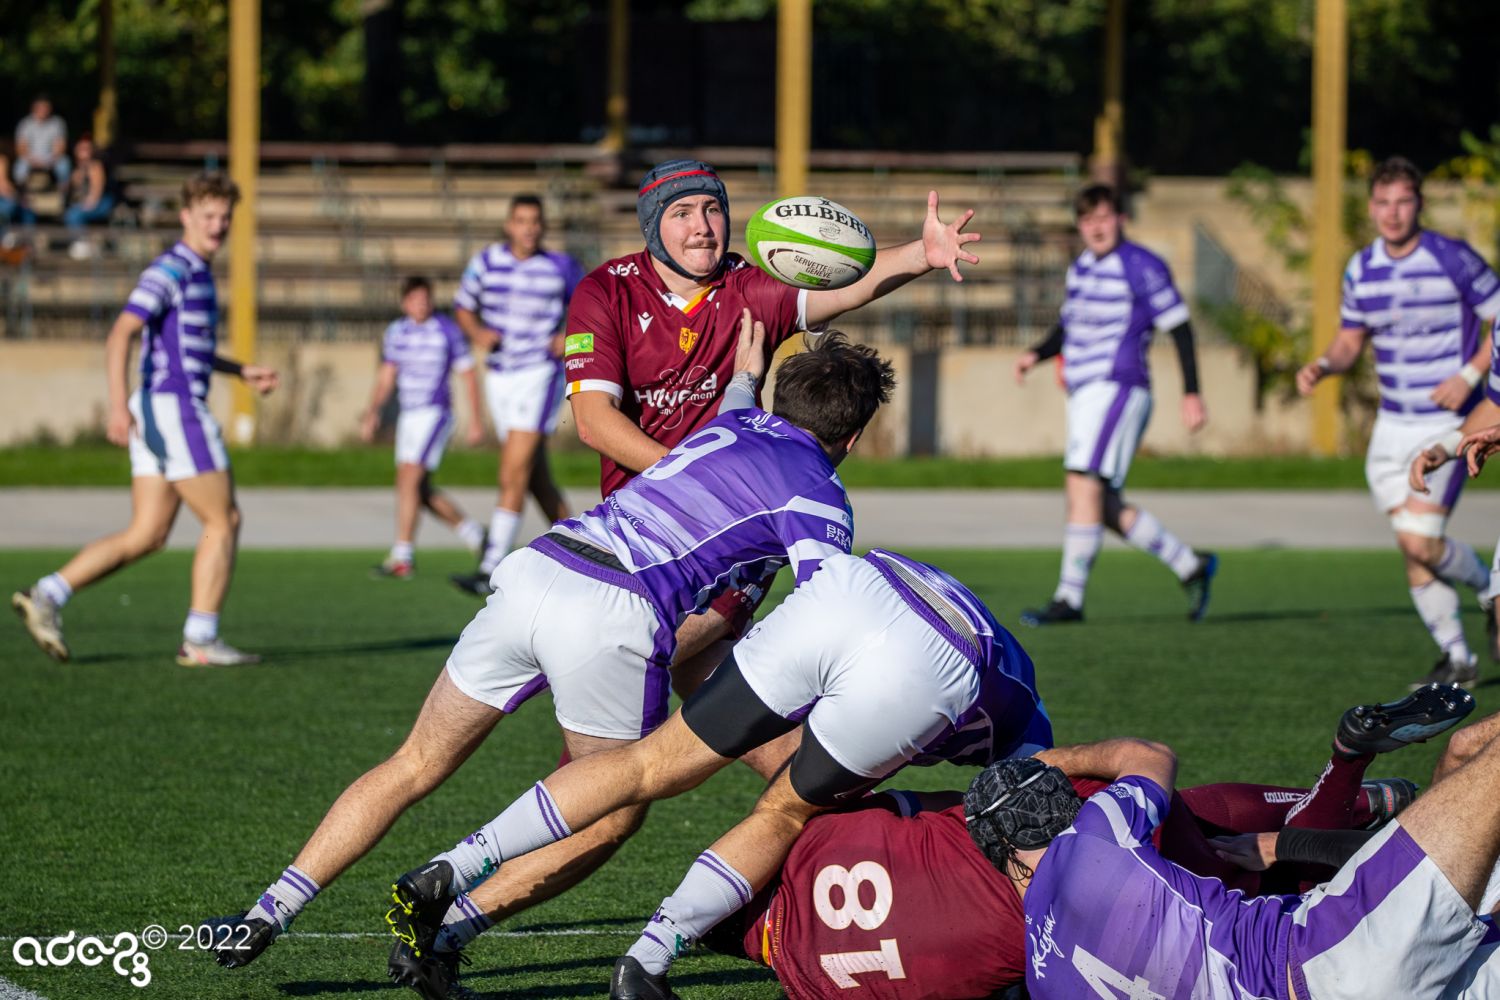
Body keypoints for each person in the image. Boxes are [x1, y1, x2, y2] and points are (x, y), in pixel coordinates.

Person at [203, 329, 891, 978]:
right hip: (614, 609)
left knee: (414, 762)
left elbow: (740, 394)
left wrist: (746, 371)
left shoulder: (731, 423)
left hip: (541, 565)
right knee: (614, 807)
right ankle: (448, 927)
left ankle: (265, 913)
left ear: (779, 398)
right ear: (853, 436)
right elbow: (822, 611)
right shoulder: (821, 494)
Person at [394, 684, 1467, 1000]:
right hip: (1054, 865)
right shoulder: (822, 848)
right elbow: (796, 776)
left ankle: (1359, 797)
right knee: (1222, 842)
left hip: (1043, 924)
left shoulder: (815, 977)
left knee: (1242, 865)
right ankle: (1350, 785)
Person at [382, 544, 1051, 1000]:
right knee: (783, 813)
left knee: (648, 763)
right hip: (936, 653)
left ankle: (456, 865)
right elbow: (1018, 832)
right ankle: (646, 962)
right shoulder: (1031, 740)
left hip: (860, 583)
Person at [963, 699, 1500, 999]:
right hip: (1328, 959)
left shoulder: (1042, 978)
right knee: (1480, 757)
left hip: (1357, 973)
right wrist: (1058, 760)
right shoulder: (1091, 835)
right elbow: (1148, 755)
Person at [10, 171, 277, 666]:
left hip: (160, 408)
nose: (218, 225)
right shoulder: (172, 269)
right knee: (224, 520)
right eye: (208, 216)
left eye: (224, 217)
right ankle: (200, 639)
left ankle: (46, 594)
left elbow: (190, 350)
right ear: (186, 216)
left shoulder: (197, 271)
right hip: (175, 408)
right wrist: (116, 405)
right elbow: (120, 333)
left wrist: (240, 371)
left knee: (148, 534)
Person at [1303, 157, 1500, 690]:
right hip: (1390, 428)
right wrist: (1323, 364)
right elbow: (1350, 340)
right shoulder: (1361, 269)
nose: (1392, 213)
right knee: (1412, 545)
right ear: (1371, 207)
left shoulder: (1452, 258)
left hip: (1448, 423)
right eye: (1383, 202)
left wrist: (1469, 374)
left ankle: (1490, 593)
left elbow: (1499, 317)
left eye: (1403, 201)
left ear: (1419, 204)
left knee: (1419, 539)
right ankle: (1458, 657)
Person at [1014, 183, 1216, 627]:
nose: (1096, 227)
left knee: (1081, 484)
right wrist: (1036, 354)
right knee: (1099, 503)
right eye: (1087, 220)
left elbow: (1180, 327)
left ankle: (1069, 598)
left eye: (1104, 217)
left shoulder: (1141, 265)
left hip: (1118, 387)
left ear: (1121, 218)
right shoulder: (1082, 268)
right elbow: (1068, 327)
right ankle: (1190, 565)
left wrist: (1192, 392)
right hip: (1085, 393)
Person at [448, 195, 583, 597]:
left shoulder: (560, 266)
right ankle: (582, 551)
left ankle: (490, 564)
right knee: (534, 475)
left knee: (512, 468)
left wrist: (569, 337)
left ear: (543, 226)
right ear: (509, 224)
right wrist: (476, 332)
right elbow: (462, 306)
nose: (529, 228)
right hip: (500, 376)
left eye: (535, 221)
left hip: (539, 373)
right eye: (521, 220)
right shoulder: (487, 262)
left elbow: (593, 310)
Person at [360, 276, 487, 578]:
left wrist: (476, 420)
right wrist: (373, 411)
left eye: (425, 299)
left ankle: (403, 556)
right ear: (405, 303)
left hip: (435, 412)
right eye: (415, 300)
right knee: (418, 488)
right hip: (409, 415)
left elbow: (468, 374)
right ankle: (476, 535)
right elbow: (387, 375)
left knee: (408, 479)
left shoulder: (446, 330)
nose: (421, 305)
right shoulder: (396, 332)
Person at [62, 133, 114, 258]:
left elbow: (96, 191)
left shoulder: (95, 166)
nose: (83, 152)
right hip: (82, 203)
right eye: (80, 149)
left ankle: (82, 243)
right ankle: (81, 243)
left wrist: (87, 204)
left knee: (73, 215)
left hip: (101, 203)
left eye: (86, 149)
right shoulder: (77, 169)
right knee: (71, 212)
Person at [12, 94, 69, 188]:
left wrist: (50, 160)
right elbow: (21, 148)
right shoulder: (25, 124)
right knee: (20, 166)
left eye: (46, 107)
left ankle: (63, 191)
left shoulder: (57, 123)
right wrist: (32, 160)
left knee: (64, 163)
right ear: (34, 108)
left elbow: (60, 146)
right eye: (40, 107)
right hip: (30, 157)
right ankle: (21, 191)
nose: (43, 110)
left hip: (51, 157)